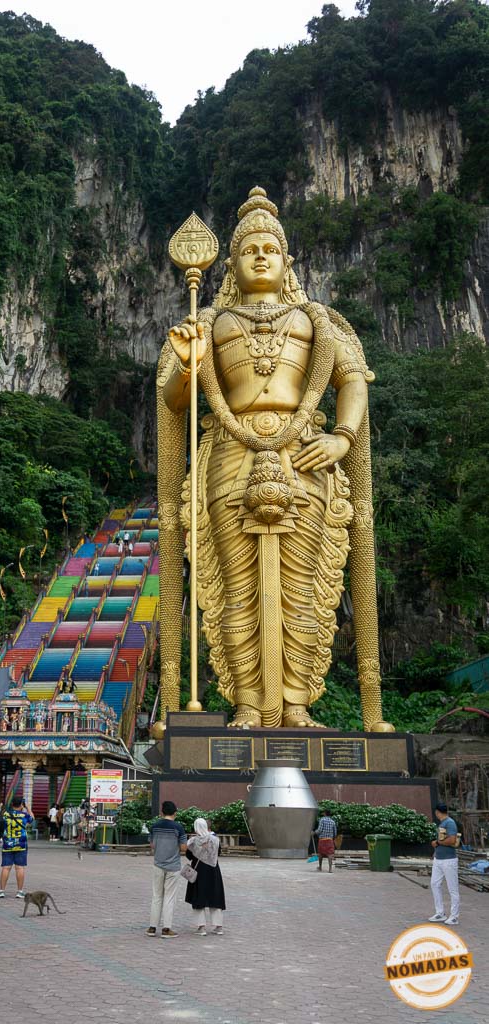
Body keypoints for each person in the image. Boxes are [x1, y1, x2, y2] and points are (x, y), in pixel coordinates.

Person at [157, 185, 393, 732]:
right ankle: (245, 703)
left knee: (301, 589)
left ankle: (296, 705)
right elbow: (173, 401)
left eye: (270, 249)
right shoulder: (208, 322)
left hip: (304, 455)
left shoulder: (317, 321)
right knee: (237, 589)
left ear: (287, 262)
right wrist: (189, 364)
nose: (260, 256)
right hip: (230, 458)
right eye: (248, 250)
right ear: (231, 265)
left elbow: (353, 381)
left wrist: (342, 437)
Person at [147, 800, 186, 938]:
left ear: (162, 812)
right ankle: (166, 929)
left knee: (156, 896)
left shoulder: (154, 826)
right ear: (175, 812)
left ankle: (152, 927)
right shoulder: (178, 828)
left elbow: (152, 845)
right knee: (169, 897)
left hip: (158, 864)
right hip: (173, 866)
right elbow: (183, 848)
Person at [184, 818, 226, 935]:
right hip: (213, 871)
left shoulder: (193, 841)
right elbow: (218, 853)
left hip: (199, 871)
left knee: (198, 896)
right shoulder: (215, 840)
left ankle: (201, 927)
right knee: (215, 896)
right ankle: (218, 926)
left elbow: (189, 856)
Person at [429, 802, 461, 925]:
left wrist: (437, 843)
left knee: (453, 888)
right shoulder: (442, 823)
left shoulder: (450, 823)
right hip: (439, 859)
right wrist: (436, 852)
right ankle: (440, 913)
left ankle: (454, 916)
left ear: (437, 812)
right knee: (434, 884)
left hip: (449, 860)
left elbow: (452, 840)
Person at [0, 796, 34, 899]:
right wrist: (27, 807)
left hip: (7, 844)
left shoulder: (6, 814)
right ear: (21, 805)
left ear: (12, 804)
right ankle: (19, 891)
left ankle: (2, 891)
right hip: (21, 844)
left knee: (6, 867)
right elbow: (32, 818)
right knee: (19, 867)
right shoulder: (24, 815)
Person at [313, 808, 338, 873]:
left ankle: (320, 867)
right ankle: (330, 869)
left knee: (320, 854)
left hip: (322, 840)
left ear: (324, 813)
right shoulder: (332, 822)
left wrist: (314, 832)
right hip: (330, 840)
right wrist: (332, 838)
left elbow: (319, 830)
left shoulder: (322, 820)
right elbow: (335, 833)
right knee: (330, 854)